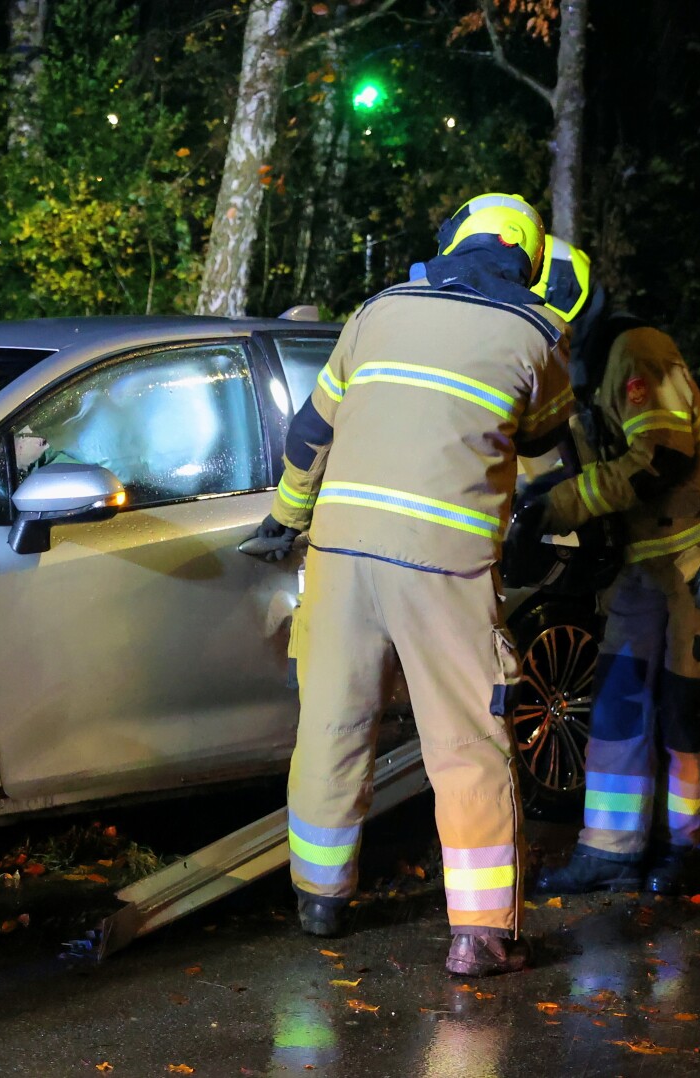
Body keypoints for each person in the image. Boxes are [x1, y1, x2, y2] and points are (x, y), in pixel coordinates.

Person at [241, 192, 574, 977]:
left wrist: (288, 519)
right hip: (445, 563)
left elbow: (309, 432)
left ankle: (319, 899)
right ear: (526, 259)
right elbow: (548, 460)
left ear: (452, 240)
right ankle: (481, 934)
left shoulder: (377, 310)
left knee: (331, 726)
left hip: (343, 552)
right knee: (466, 743)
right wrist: (559, 533)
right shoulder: (537, 333)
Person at [516, 241, 700, 898]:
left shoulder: (636, 350)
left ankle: (687, 848)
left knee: (687, 710)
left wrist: (560, 504)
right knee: (619, 705)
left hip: (698, 558)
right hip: (646, 564)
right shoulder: (590, 363)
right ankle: (610, 851)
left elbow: (663, 461)